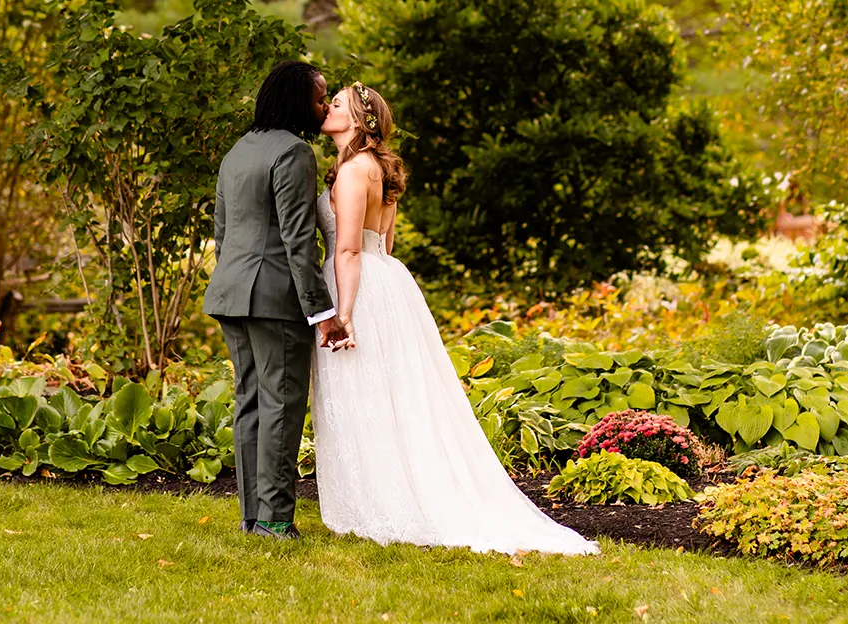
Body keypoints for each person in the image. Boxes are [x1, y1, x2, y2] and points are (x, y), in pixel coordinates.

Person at [310, 82, 597, 555]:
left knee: (364, 391)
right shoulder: (379, 168)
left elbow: (346, 248)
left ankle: (382, 499)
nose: (328, 108)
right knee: (394, 395)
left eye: (336, 104)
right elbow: (385, 243)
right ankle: (390, 490)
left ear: (358, 120)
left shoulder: (351, 173)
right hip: (389, 282)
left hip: (356, 287)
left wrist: (343, 313)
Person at [204, 60, 348, 539]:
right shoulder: (293, 153)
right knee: (282, 404)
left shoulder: (237, 152)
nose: (324, 105)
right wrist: (322, 311)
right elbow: (298, 239)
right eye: (318, 97)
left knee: (250, 402)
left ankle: (252, 518)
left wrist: (236, 282)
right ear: (296, 102)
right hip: (274, 299)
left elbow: (222, 235)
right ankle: (275, 520)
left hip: (229, 294)